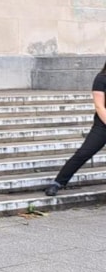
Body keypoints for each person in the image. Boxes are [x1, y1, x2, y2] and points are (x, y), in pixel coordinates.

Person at [46, 61, 106, 196]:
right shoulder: (101, 78)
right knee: (84, 153)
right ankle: (58, 182)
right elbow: (99, 106)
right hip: (103, 125)